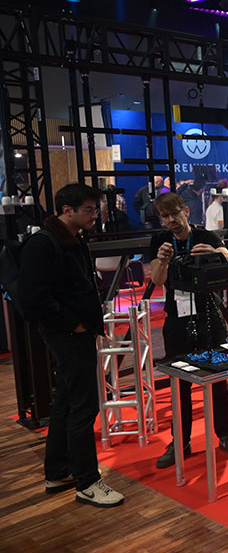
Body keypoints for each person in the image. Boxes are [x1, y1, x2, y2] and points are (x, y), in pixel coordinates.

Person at [20, 183, 123, 507]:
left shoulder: (72, 238)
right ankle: (87, 481)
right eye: (89, 209)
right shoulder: (44, 243)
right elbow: (33, 298)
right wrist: (73, 324)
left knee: (67, 402)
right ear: (68, 210)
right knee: (83, 406)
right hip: (67, 335)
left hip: (76, 332)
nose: (95, 215)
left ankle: (58, 471)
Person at [149, 192, 228, 468]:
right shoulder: (160, 241)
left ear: (186, 211)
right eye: (165, 216)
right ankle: (180, 441)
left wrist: (215, 253)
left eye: (174, 214)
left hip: (207, 314)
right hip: (176, 318)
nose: (171, 220)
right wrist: (163, 261)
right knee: (179, 383)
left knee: (218, 378)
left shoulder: (205, 236)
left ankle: (226, 435)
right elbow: (157, 279)